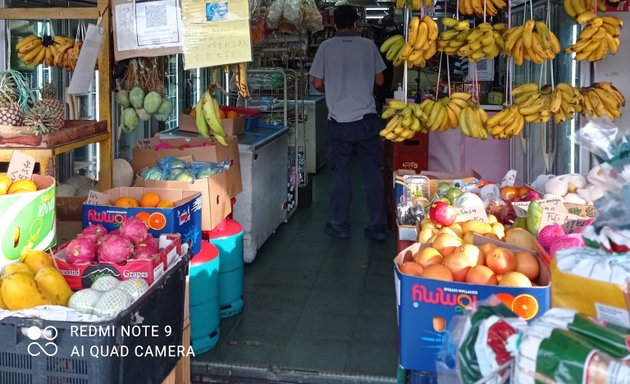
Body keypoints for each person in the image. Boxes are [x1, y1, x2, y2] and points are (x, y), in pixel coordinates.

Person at [309, 4, 388, 241]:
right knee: (372, 173)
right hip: (366, 119)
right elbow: (381, 80)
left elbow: (317, 84)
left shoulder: (325, 47)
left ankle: (340, 225)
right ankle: (377, 228)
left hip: (339, 121)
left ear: (334, 23)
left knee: (340, 174)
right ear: (356, 23)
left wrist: (333, 85)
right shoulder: (369, 45)